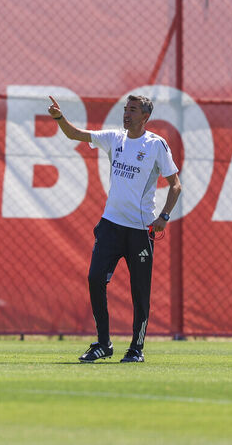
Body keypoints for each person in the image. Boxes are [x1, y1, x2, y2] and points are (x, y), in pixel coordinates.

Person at [48, 93, 182, 363]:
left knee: (139, 291)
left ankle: (136, 348)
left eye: (132, 110)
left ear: (145, 117)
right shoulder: (115, 138)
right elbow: (76, 134)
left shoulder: (156, 145)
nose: (126, 114)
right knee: (95, 279)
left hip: (140, 230)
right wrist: (59, 118)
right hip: (110, 226)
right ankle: (103, 343)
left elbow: (175, 185)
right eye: (125, 109)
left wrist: (164, 216)